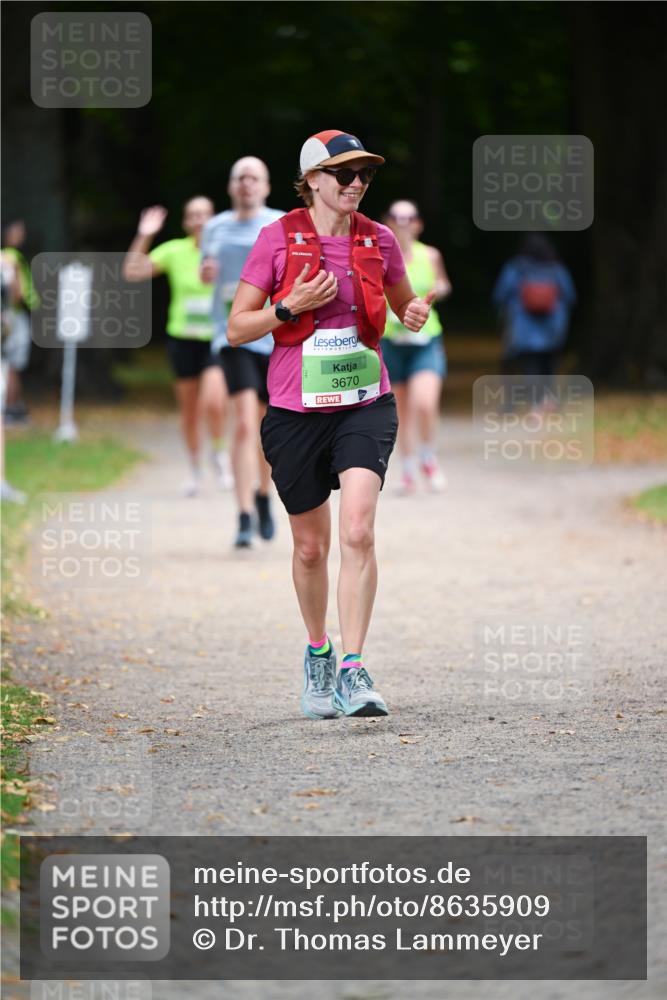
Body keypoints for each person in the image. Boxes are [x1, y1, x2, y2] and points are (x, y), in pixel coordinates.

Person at [228, 130, 435, 719]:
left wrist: (414, 312)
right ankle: (318, 651)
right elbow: (237, 328)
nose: (356, 184)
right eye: (343, 174)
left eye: (364, 174)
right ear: (312, 180)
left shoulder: (380, 239)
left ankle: (354, 667)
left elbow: (405, 307)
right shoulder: (277, 238)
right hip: (295, 412)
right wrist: (288, 306)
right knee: (313, 547)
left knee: (358, 532)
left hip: (365, 403)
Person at [122, 197, 233, 496]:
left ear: (213, 219)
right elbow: (131, 272)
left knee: (214, 399)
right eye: (192, 215)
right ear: (186, 222)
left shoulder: (225, 250)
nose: (198, 220)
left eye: (204, 215)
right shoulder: (175, 251)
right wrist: (145, 233)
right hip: (182, 339)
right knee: (189, 411)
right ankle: (195, 469)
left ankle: (219, 453)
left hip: (215, 338)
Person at [200, 158, 283, 548]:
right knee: (245, 423)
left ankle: (265, 496)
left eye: (254, 178)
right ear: (231, 186)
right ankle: (244, 513)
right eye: (240, 178)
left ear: (266, 186)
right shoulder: (213, 228)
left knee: (267, 428)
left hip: (275, 336)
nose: (247, 184)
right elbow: (207, 274)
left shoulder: (282, 225)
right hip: (233, 337)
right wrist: (207, 275)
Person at [381, 200, 451, 493]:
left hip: (425, 340)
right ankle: (408, 470)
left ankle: (428, 457)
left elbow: (444, 285)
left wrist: (434, 293)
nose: (404, 222)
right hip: (392, 341)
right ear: (388, 222)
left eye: (410, 217)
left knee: (425, 402)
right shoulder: (380, 256)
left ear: (418, 224)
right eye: (397, 217)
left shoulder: (430, 254)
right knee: (401, 412)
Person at [492, 234, 576, 409]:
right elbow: (570, 296)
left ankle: (535, 404)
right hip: (554, 328)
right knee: (549, 366)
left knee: (530, 366)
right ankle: (548, 400)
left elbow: (500, 294)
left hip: (524, 328)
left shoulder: (516, 268)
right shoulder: (556, 269)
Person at [1, 220, 40, 427]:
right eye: (17, 231)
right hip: (13, 316)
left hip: (11, 315)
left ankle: (12, 406)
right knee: (12, 363)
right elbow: (14, 291)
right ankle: (10, 407)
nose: (21, 235)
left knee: (10, 363)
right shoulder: (10, 256)